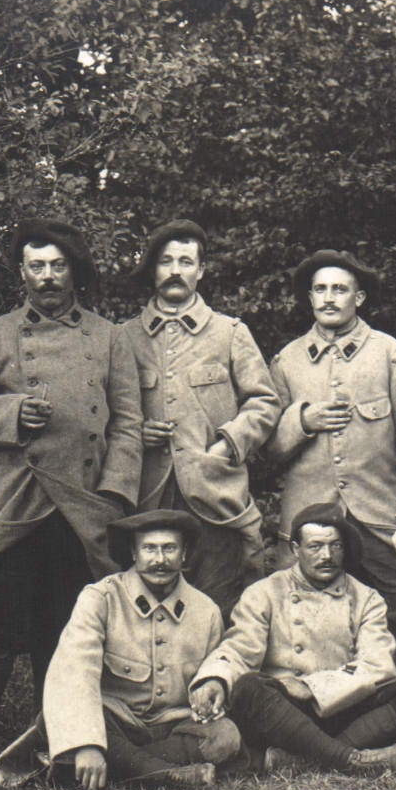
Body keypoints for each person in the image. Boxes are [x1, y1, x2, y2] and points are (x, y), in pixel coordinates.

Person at [0, 219, 142, 781]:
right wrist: (9, 413)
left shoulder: (109, 337)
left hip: (82, 503)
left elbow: (129, 422)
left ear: (73, 270)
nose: (48, 277)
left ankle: (45, 731)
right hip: (13, 497)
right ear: (22, 273)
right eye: (37, 266)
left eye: (58, 265)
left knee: (63, 620)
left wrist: (114, 489)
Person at [0, 511, 241, 790]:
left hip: (170, 725)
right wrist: (88, 743)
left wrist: (212, 682)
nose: (160, 560)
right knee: (65, 721)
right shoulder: (101, 598)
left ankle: (109, 768)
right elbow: (74, 669)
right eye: (149, 548)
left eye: (169, 548)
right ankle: (168, 776)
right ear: (134, 553)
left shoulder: (205, 610)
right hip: (112, 720)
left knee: (225, 736)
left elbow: (215, 666)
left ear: (184, 554)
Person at [187, 503, 396, 773]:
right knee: (249, 687)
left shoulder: (366, 598)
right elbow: (239, 648)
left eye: (335, 546)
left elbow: (378, 666)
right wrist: (215, 679)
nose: (326, 555)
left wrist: (314, 688)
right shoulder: (265, 592)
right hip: (285, 713)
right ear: (295, 550)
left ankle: (307, 759)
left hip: (344, 704)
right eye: (315, 547)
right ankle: (350, 759)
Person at [267, 249, 396, 659]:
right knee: (307, 621)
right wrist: (303, 421)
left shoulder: (391, 354)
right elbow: (268, 452)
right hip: (310, 521)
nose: (329, 298)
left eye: (340, 289)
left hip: (379, 516)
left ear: (359, 298)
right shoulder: (286, 361)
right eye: (320, 289)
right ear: (309, 298)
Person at [118, 219, 280, 616]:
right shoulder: (123, 337)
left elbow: (264, 402)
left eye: (186, 262)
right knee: (144, 603)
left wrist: (228, 444)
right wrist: (135, 431)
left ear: (201, 271)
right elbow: (105, 411)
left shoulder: (229, 332)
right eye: (166, 261)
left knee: (216, 602)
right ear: (154, 270)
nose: (175, 271)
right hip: (146, 495)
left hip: (213, 493)